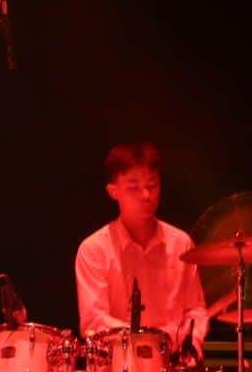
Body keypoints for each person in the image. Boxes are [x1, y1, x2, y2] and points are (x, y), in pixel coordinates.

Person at [75, 141, 209, 354]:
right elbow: (93, 321)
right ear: (113, 191)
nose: (146, 195)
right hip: (118, 362)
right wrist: (148, 341)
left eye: (152, 185)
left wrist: (193, 338)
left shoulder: (180, 244)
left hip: (172, 361)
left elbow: (195, 309)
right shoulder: (94, 250)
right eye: (134, 187)